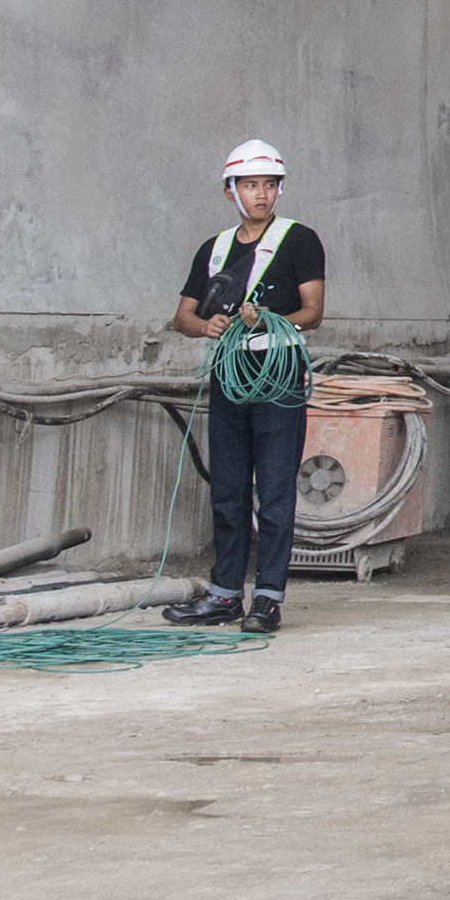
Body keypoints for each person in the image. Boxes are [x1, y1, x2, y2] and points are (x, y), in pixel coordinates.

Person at [161, 139, 325, 633]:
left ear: (279, 189)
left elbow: (313, 313)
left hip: (278, 374)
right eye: (250, 185)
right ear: (230, 190)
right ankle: (225, 595)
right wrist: (207, 326)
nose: (261, 194)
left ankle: (268, 599)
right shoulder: (215, 249)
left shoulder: (299, 240)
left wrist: (270, 319)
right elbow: (183, 317)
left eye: (269, 185)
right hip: (230, 376)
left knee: (274, 492)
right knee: (228, 489)